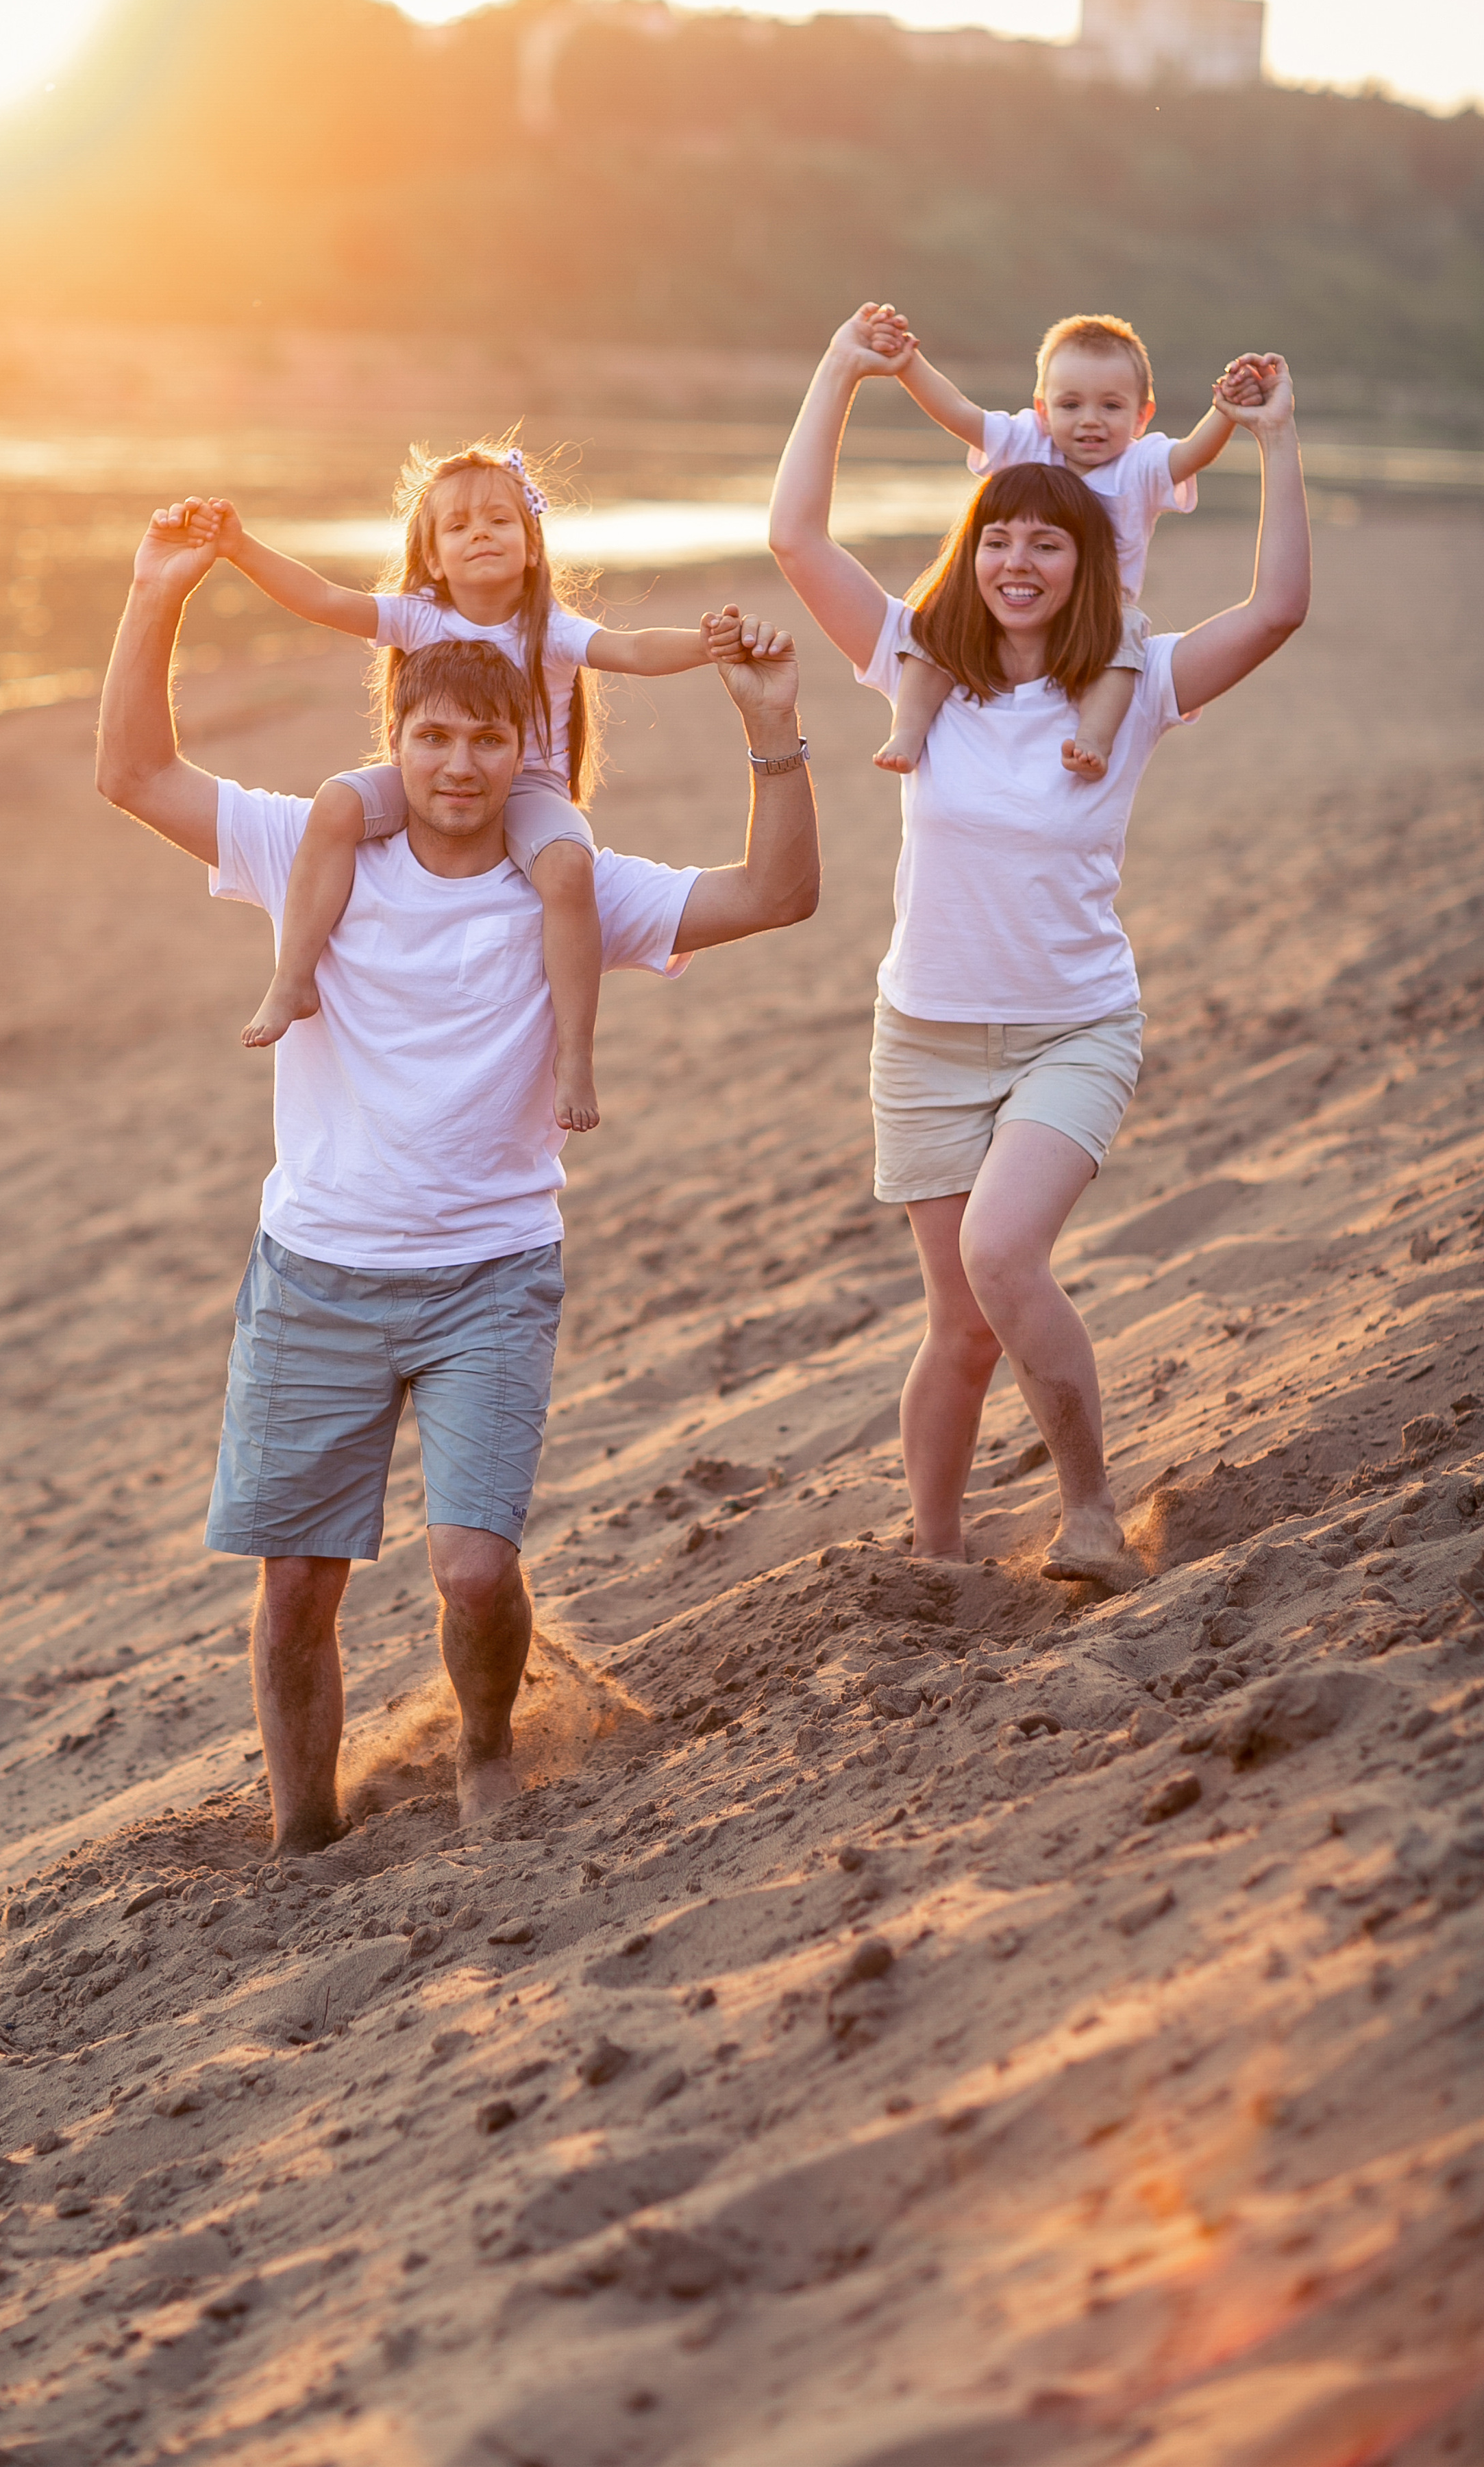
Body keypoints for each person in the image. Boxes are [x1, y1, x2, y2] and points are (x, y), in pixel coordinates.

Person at [95, 501, 819, 1850]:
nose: (458, 762)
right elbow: (136, 774)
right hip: (315, 1274)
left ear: (524, 749)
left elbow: (773, 896)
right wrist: (157, 596)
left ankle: (484, 1742)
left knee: (472, 1568)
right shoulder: (311, 850)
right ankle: (303, 1827)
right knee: (297, 1588)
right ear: (397, 740)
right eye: (432, 736)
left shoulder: (567, 884)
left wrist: (768, 725)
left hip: (489, 1275)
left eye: (488, 738)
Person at [769, 326, 1309, 1577]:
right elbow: (798, 538)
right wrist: (842, 373)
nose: (1019, 557)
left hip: (1073, 1028)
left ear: (1086, 563)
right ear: (974, 551)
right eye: (999, 536)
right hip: (924, 1037)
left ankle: (1087, 1511)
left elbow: (1278, 608)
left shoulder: (1139, 685)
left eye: (1049, 539)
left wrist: (1276, 442)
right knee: (960, 1325)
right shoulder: (916, 660)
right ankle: (941, 1550)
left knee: (1002, 1254)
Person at [171, 439, 718, 1134]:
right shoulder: (419, 616)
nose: (479, 534)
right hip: (423, 779)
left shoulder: (546, 628)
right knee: (337, 801)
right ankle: (292, 980)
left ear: (530, 544)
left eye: (498, 520)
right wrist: (239, 547)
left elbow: (634, 650)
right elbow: (321, 599)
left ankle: (574, 1054)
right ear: (432, 555)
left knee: (568, 869)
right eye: (457, 527)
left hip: (527, 787)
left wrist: (710, 644)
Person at [838, 304, 1259, 783]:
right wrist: (909, 363)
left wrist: (1225, 412)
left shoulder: (1140, 465)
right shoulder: (1027, 442)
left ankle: (1094, 740)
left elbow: (1191, 455)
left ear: (1143, 415)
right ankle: (908, 732)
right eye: (1071, 405)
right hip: (1011, 600)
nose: (1090, 421)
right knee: (935, 627)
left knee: (1125, 644)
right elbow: (958, 413)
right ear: (1043, 409)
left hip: (1097, 610)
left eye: (1112, 406)